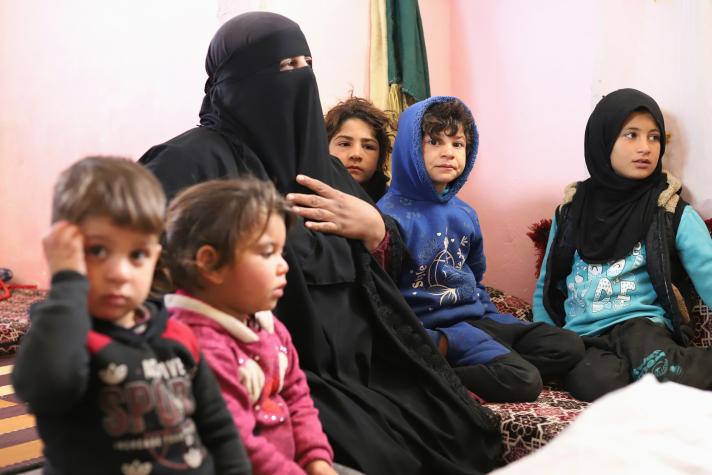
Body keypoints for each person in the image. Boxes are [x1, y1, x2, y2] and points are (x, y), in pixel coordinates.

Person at [140, 11, 502, 475]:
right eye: (279, 67)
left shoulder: (323, 170)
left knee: (462, 433)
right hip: (273, 369)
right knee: (387, 458)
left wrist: (375, 227)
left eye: (303, 64)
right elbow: (142, 277)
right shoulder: (188, 163)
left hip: (365, 365)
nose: (296, 79)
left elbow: (387, 274)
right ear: (229, 79)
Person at [11, 157, 250, 475]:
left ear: (155, 257)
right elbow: (45, 386)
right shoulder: (61, 335)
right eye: (96, 251)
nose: (120, 274)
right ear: (62, 252)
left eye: (136, 255)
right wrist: (68, 282)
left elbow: (218, 427)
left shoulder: (176, 334)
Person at [377, 96, 584, 402]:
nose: (448, 153)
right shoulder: (387, 216)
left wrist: (492, 318)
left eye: (458, 144)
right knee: (525, 381)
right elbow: (384, 298)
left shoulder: (464, 213)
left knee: (569, 346)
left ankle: (488, 362)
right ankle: (426, 378)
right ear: (409, 147)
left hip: (478, 321)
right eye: (435, 141)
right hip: (435, 332)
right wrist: (433, 342)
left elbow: (474, 276)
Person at [532, 88, 712, 402]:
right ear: (603, 141)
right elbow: (547, 283)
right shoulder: (572, 210)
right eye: (631, 135)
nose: (645, 148)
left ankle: (655, 372)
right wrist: (546, 340)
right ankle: (642, 382)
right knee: (596, 385)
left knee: (660, 368)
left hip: (640, 326)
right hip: (583, 336)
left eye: (654, 137)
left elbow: (708, 271)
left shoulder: (667, 208)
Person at [163, 178, 340, 475]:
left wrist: (316, 461)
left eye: (281, 252)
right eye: (267, 253)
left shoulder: (266, 324)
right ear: (211, 263)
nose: (284, 266)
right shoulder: (198, 345)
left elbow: (297, 397)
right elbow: (237, 443)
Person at [325, 95, 393, 201]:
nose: (356, 154)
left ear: (380, 158)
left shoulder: (394, 208)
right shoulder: (302, 197)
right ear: (325, 147)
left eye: (368, 147)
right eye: (345, 144)